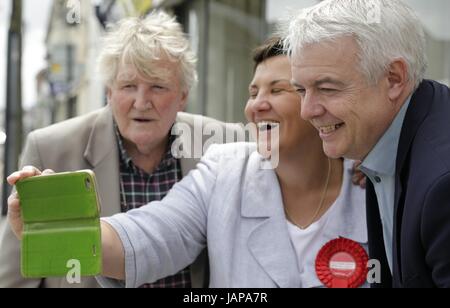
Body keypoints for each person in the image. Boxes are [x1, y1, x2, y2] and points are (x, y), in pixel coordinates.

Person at [8, 37, 368, 288]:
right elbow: (150, 236)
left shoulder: (373, 179)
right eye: (253, 92)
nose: (256, 105)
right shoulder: (225, 168)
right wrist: (58, 229)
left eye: (278, 90)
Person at [0, 11, 244, 288]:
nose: (141, 102)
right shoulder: (51, 149)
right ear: (109, 92)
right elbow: (13, 280)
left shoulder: (224, 144)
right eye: (129, 86)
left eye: (158, 86)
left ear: (183, 96)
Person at [285, 0, 450, 287]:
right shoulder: (385, 141)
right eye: (301, 90)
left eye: (327, 88)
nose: (307, 111)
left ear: (394, 78)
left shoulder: (441, 182)